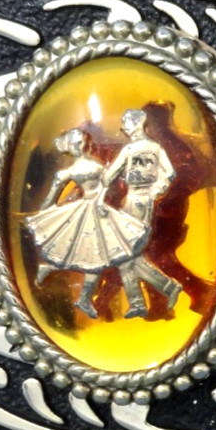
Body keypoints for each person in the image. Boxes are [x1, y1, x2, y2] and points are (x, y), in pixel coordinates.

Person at [25, 128, 148, 318]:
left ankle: (71, 287)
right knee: (91, 257)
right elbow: (50, 198)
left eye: (81, 142)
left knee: (94, 258)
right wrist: (42, 216)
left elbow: (107, 183)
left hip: (99, 209)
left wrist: (104, 194)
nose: (79, 146)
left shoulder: (95, 166)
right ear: (69, 147)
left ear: (86, 143)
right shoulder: (67, 172)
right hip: (86, 211)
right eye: (75, 143)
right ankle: (71, 286)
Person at [101, 109, 182, 318]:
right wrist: (156, 191)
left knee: (125, 254)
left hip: (135, 200)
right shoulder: (155, 148)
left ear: (137, 124)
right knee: (127, 255)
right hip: (144, 200)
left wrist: (98, 175)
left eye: (126, 123)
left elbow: (108, 177)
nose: (123, 127)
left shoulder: (130, 150)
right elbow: (169, 173)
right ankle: (154, 294)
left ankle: (154, 294)